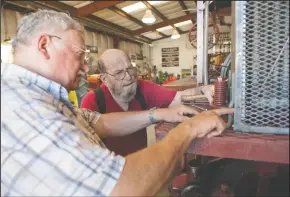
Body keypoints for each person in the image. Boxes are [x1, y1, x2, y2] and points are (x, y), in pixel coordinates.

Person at [1, 10, 233, 196]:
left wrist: (158, 114)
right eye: (80, 55)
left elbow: (99, 122)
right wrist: (189, 129)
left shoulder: (43, 97)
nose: (84, 67)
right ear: (44, 46)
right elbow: (122, 188)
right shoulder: (22, 105)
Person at [81, 49, 215, 155]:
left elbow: (180, 98)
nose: (128, 77)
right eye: (119, 73)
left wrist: (204, 89)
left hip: (141, 165)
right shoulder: (93, 101)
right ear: (104, 79)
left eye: (130, 69)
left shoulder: (142, 88)